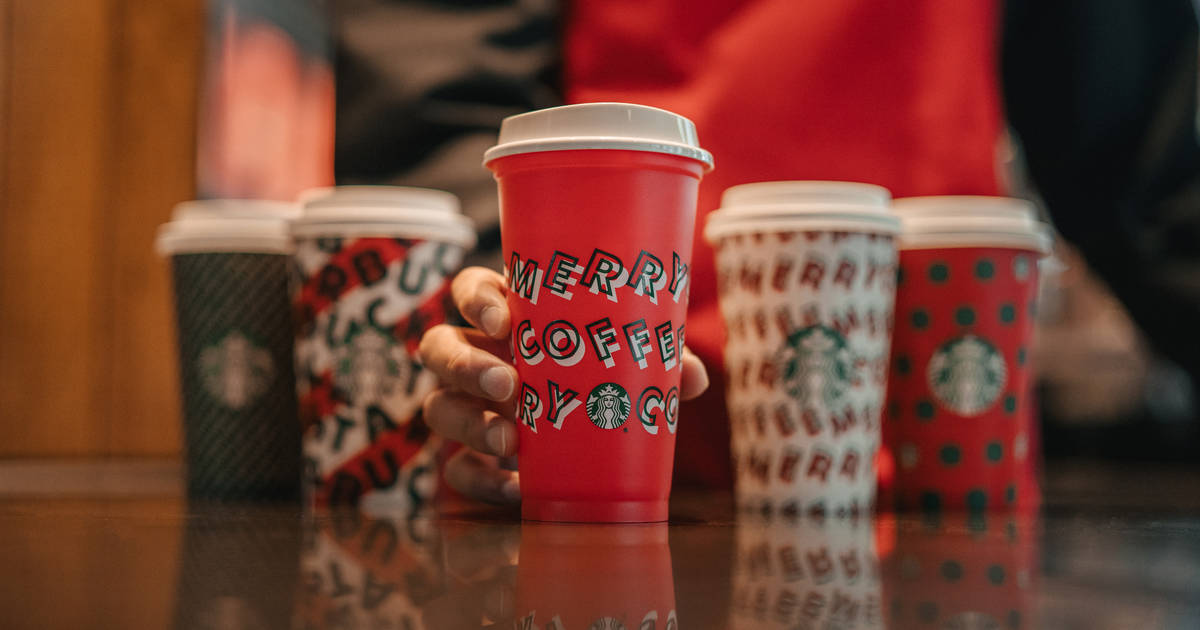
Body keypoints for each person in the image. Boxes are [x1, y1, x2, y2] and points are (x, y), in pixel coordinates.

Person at [361, 0, 1200, 504]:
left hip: (942, 486)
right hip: (614, 471)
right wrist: (497, 339)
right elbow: (442, 115)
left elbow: (1154, 160)